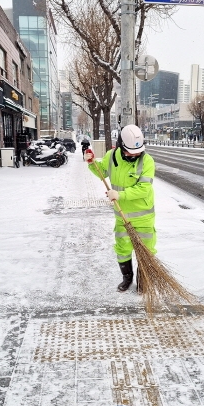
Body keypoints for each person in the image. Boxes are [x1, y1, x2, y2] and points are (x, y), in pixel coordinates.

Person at [84, 124, 156, 293]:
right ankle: (127, 278)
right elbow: (101, 171)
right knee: (122, 249)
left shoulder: (147, 161)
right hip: (121, 216)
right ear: (121, 145)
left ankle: (142, 281)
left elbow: (144, 188)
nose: (135, 154)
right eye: (131, 151)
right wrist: (91, 162)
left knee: (146, 250)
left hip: (144, 217)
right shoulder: (111, 156)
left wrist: (120, 195)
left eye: (137, 151)